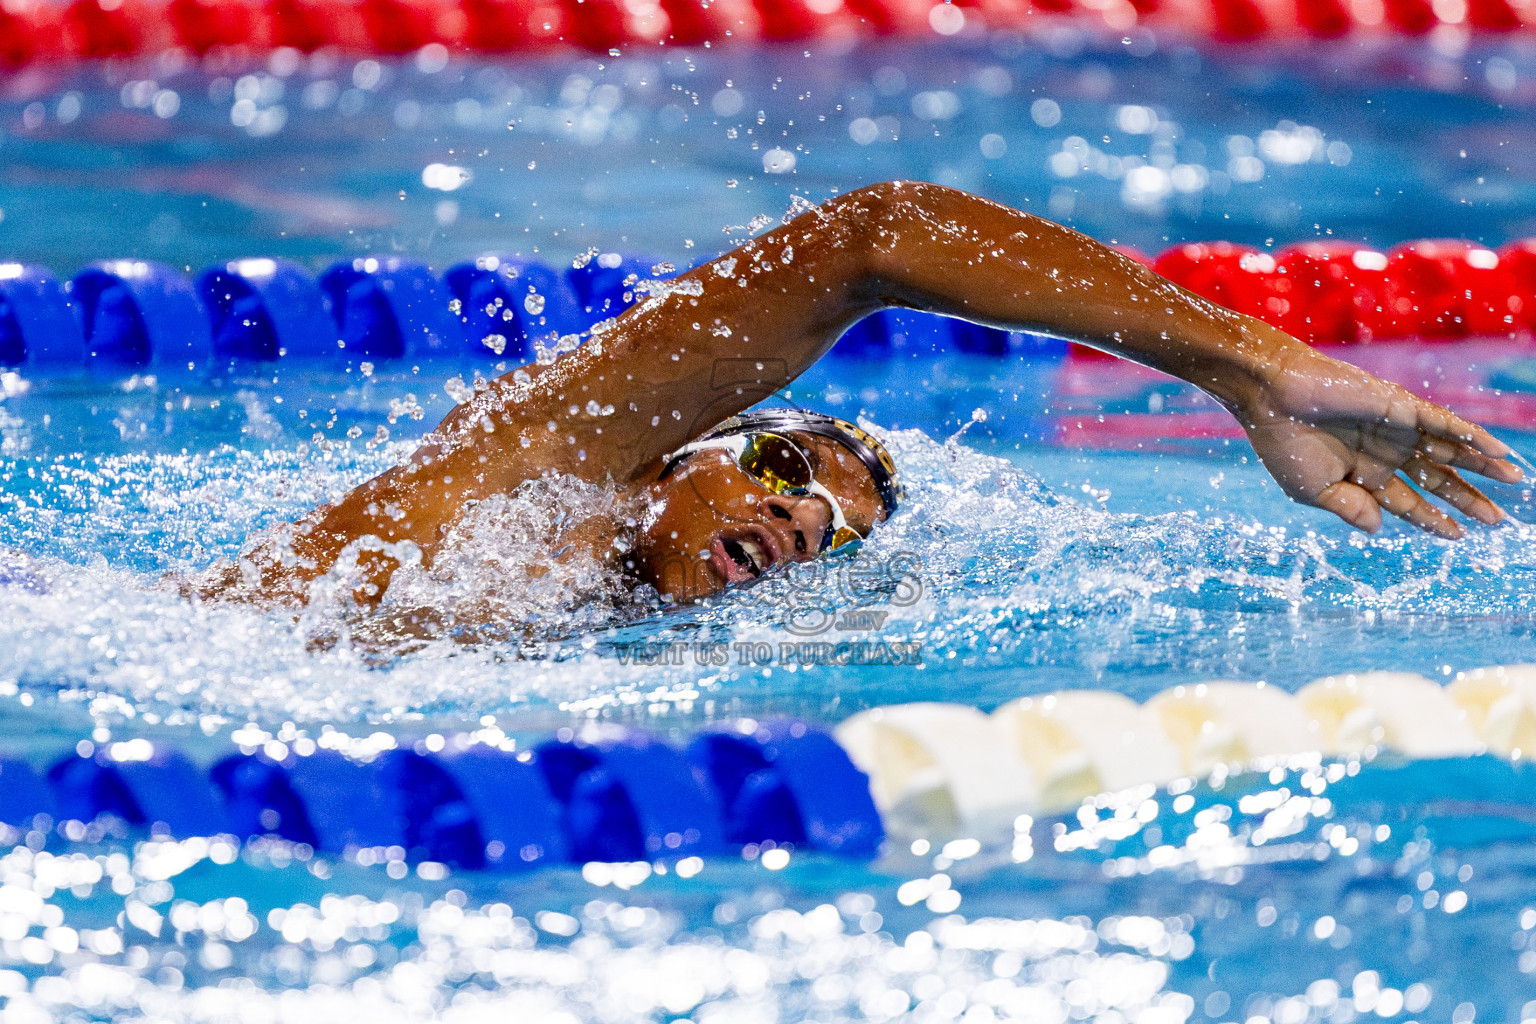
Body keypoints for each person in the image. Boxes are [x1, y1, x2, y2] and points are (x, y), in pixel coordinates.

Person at [200, 181, 1523, 615]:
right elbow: (874, 236)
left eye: (831, 525)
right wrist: (1250, 363)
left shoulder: (589, 640)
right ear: (675, 459)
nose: (802, 521)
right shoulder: (515, 479)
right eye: (786, 473)